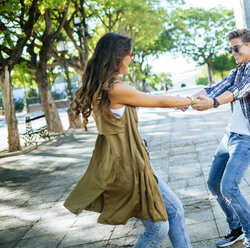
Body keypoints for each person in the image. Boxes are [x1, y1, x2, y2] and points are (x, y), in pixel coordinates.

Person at [63, 33, 196, 248]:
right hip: (128, 166)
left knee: (174, 210)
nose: (132, 58)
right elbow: (158, 100)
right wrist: (189, 100)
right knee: (158, 227)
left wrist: (178, 101)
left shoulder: (107, 86)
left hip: (130, 162)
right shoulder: (115, 89)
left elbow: (146, 95)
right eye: (130, 54)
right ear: (117, 56)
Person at [182, 29, 250, 248]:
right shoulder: (237, 70)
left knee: (229, 187)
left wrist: (213, 104)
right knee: (214, 184)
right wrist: (188, 99)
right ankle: (236, 227)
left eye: (236, 48)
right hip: (230, 135)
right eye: (231, 49)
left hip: (247, 137)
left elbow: (239, 91)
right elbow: (216, 88)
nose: (233, 52)